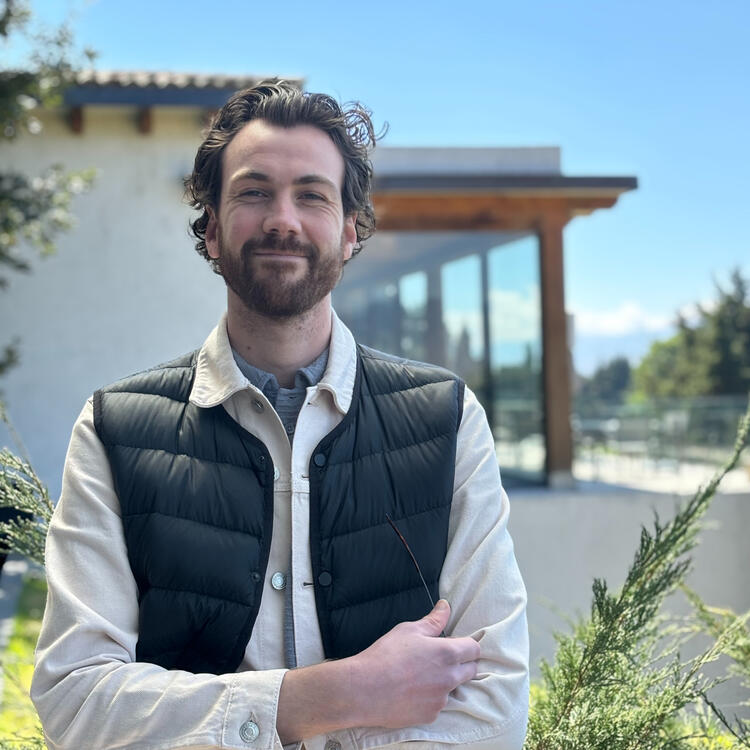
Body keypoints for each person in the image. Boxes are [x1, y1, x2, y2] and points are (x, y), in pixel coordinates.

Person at [31, 81, 529, 750]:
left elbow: (496, 712)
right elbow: (75, 701)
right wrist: (336, 696)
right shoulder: (113, 429)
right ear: (212, 228)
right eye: (254, 192)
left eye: (312, 195)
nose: (282, 220)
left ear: (349, 232)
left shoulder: (447, 420)